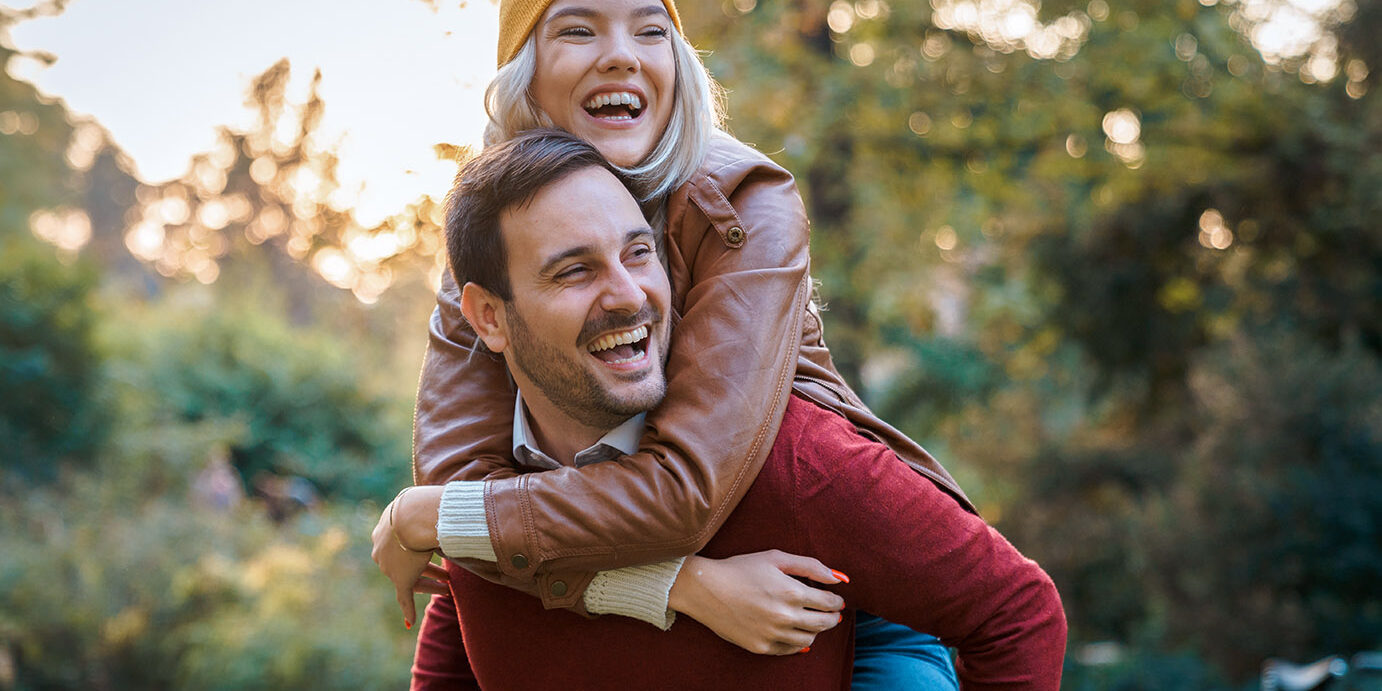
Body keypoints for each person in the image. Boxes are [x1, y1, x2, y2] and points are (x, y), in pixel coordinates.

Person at [376, 0, 998, 684]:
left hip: (834, 561)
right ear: (523, 73)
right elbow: (465, 495)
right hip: (629, 537)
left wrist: (424, 515)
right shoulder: (498, 232)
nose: (622, 54)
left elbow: (681, 491)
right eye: (579, 30)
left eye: (651, 30)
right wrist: (680, 586)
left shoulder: (743, 201)